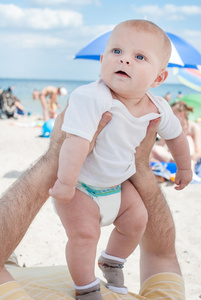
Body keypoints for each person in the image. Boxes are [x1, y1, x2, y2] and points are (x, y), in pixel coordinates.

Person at [49, 20, 192, 299]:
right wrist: (65, 183)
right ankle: (86, 287)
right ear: (103, 61)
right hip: (80, 186)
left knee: (138, 219)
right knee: (84, 236)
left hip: (118, 185)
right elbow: (76, 142)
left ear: (158, 79)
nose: (124, 58)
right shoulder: (92, 96)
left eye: (139, 57)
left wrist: (184, 167)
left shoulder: (158, 107)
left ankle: (112, 260)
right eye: (116, 51)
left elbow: (177, 136)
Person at [0, 109, 185, 299]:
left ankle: (85, 286)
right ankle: (111, 263)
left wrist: (55, 157)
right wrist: (141, 166)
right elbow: (162, 255)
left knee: (84, 235)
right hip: (111, 185)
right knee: (137, 219)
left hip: (6, 268)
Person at [151, 101, 201, 179]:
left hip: (189, 159)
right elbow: (159, 147)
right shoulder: (171, 127)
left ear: (182, 114)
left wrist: (192, 162)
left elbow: (198, 152)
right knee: (154, 149)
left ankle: (183, 167)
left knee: (188, 139)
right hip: (173, 158)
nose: (170, 118)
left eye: (173, 114)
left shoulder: (193, 127)